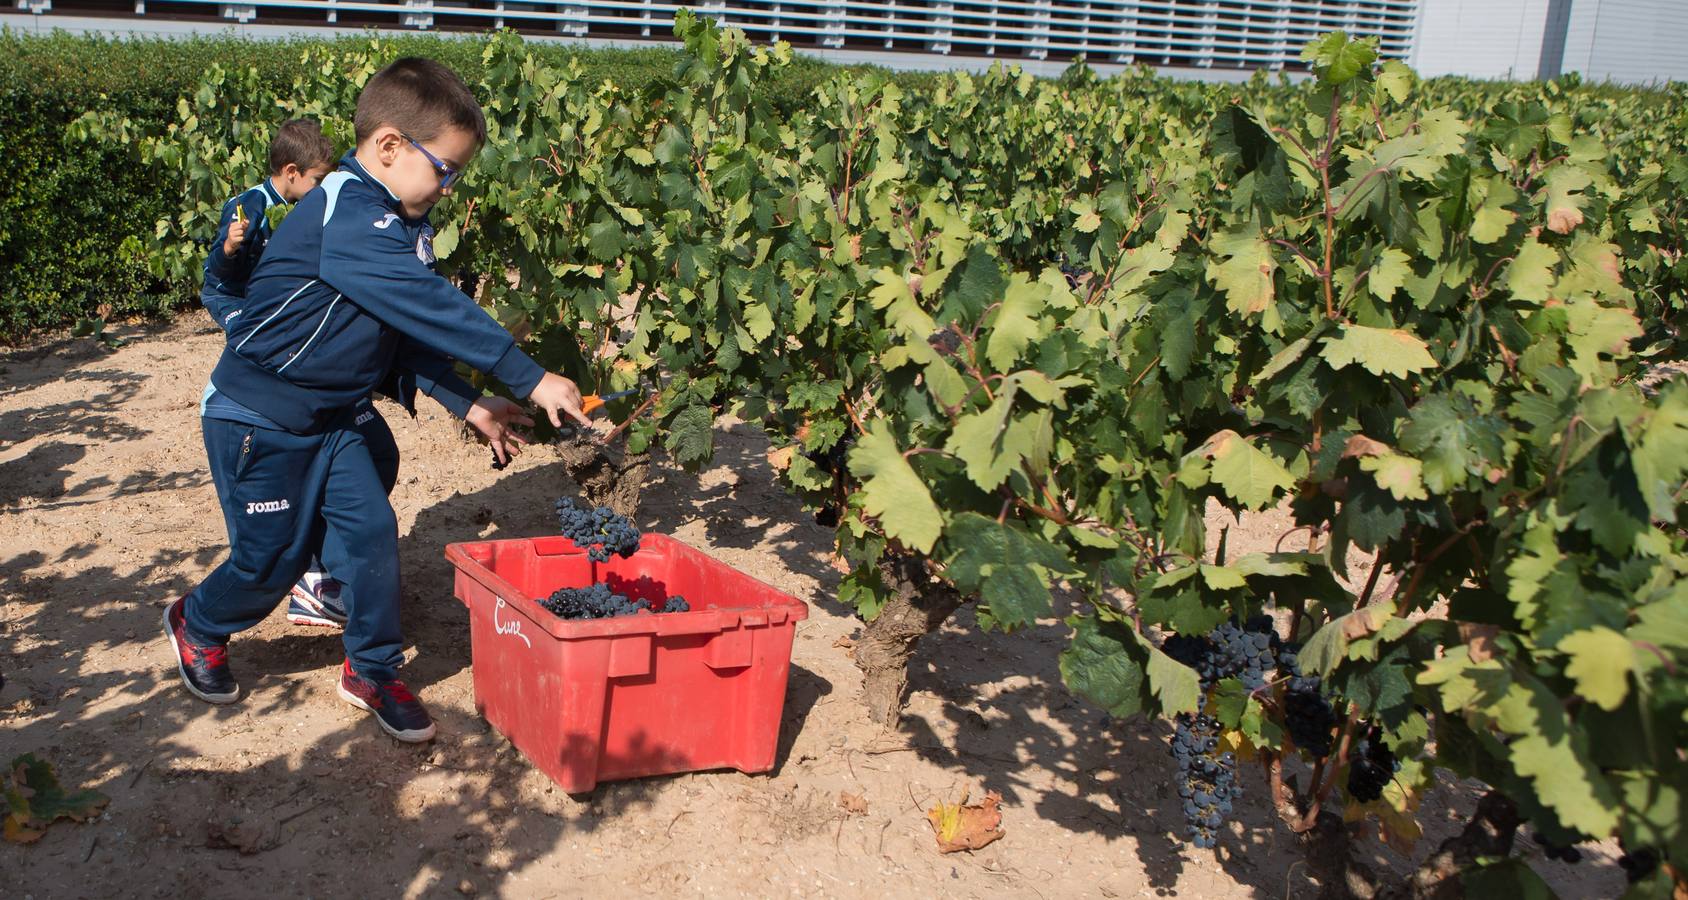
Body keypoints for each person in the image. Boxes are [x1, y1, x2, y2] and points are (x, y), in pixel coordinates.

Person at [163, 57, 592, 743]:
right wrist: (528, 376)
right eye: (444, 168)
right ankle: (199, 621)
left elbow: (397, 337)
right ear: (389, 147)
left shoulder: (396, 222)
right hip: (257, 420)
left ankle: (372, 667)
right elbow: (428, 305)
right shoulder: (345, 213)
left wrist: (469, 402)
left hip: (333, 420)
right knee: (266, 563)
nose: (450, 186)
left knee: (370, 540)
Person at [198, 118, 359, 630]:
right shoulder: (250, 207)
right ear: (290, 172)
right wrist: (228, 249)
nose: (321, 188)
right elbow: (218, 277)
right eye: (315, 178)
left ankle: (311, 577)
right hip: (239, 307)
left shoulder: (296, 207)